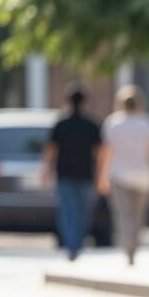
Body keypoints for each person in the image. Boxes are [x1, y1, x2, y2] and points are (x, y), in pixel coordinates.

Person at [96, 85, 149, 266]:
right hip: (143, 177)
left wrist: (101, 176)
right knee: (139, 215)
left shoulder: (113, 123)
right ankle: (134, 244)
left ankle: (127, 245)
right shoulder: (148, 123)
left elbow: (106, 153)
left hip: (119, 175)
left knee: (123, 214)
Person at [42, 87, 102, 261]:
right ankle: (77, 243)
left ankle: (71, 245)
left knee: (67, 211)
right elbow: (99, 154)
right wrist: (100, 174)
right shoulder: (91, 124)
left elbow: (51, 151)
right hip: (85, 174)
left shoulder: (61, 124)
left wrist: (46, 171)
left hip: (65, 174)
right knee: (83, 212)